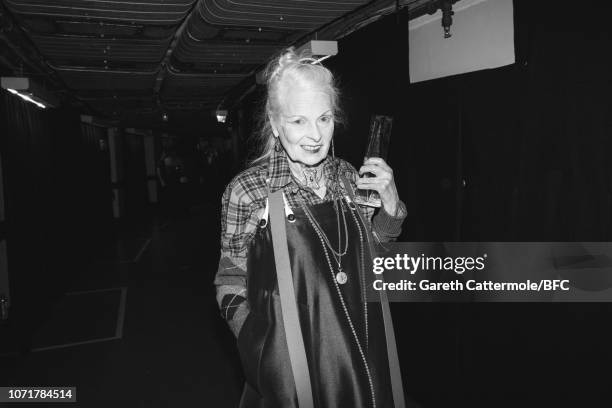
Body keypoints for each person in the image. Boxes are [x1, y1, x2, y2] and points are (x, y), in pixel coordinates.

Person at [214, 47, 407, 407]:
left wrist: (391, 208)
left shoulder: (351, 177)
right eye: (298, 121)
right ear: (274, 123)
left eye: (324, 118)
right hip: (292, 369)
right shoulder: (247, 191)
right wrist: (261, 348)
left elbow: (375, 265)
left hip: (358, 353)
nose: (315, 135)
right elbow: (229, 280)